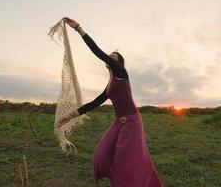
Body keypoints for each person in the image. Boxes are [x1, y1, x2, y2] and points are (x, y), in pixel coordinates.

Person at [57, 17, 164, 187]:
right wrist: (71, 115)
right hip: (118, 122)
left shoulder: (122, 73)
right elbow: (94, 103)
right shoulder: (110, 85)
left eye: (113, 57)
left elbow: (96, 51)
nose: (110, 58)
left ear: (119, 63)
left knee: (124, 158)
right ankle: (119, 180)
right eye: (110, 56)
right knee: (101, 153)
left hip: (132, 122)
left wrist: (78, 28)